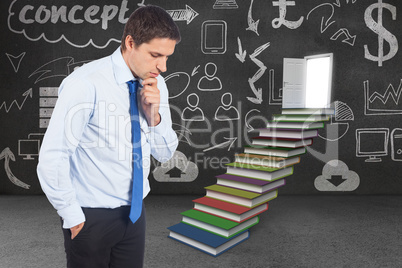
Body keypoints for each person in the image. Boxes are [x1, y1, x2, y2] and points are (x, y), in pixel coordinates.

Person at [37, 5, 180, 268]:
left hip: (135, 217)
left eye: (167, 57)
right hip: (90, 218)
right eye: (156, 55)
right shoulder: (85, 83)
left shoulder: (156, 83)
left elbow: (164, 153)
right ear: (130, 42)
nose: (163, 66)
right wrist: (72, 217)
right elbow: (53, 156)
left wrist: (154, 118)